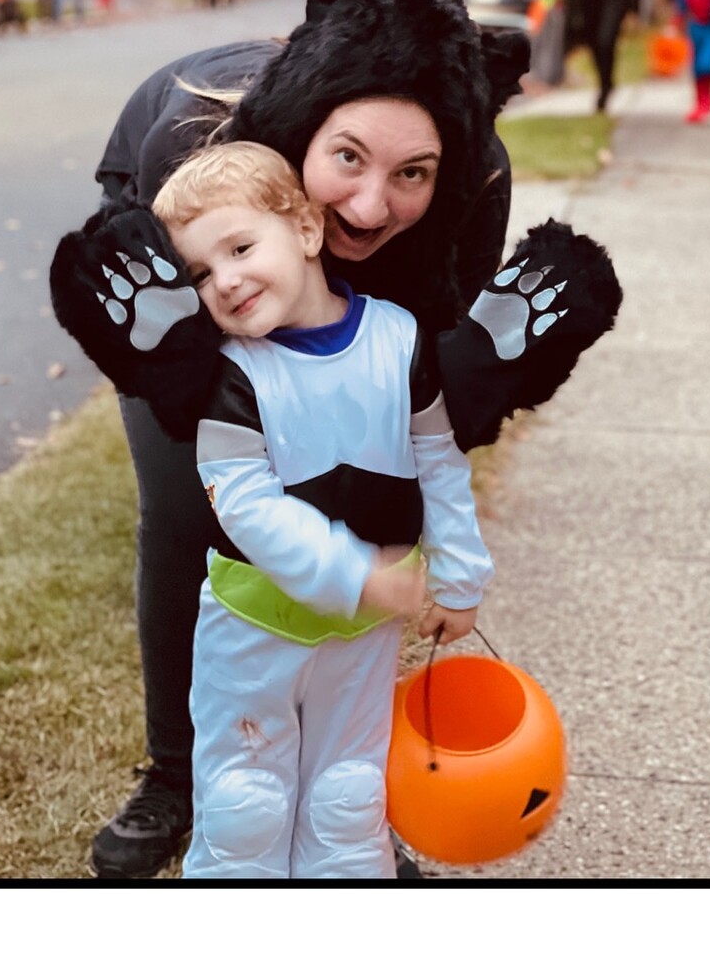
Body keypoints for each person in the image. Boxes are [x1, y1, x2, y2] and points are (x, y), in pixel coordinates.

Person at [50, 0, 624, 880]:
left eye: (412, 173)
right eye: (349, 158)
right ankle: (179, 777)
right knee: (192, 502)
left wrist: (457, 411)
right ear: (310, 133)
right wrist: (193, 358)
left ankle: (340, 795)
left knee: (358, 473)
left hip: (336, 248)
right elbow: (193, 365)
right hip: (191, 227)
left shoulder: (472, 178)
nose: (369, 202)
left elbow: (418, 400)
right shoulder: (199, 147)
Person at [146, 141, 493, 878]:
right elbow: (244, 503)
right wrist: (352, 573)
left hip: (361, 636)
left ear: (305, 230)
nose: (226, 281)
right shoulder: (230, 372)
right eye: (202, 273)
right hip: (252, 629)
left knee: (348, 797)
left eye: (240, 247)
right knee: (247, 806)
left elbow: (437, 458)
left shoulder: (398, 340)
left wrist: (460, 576)